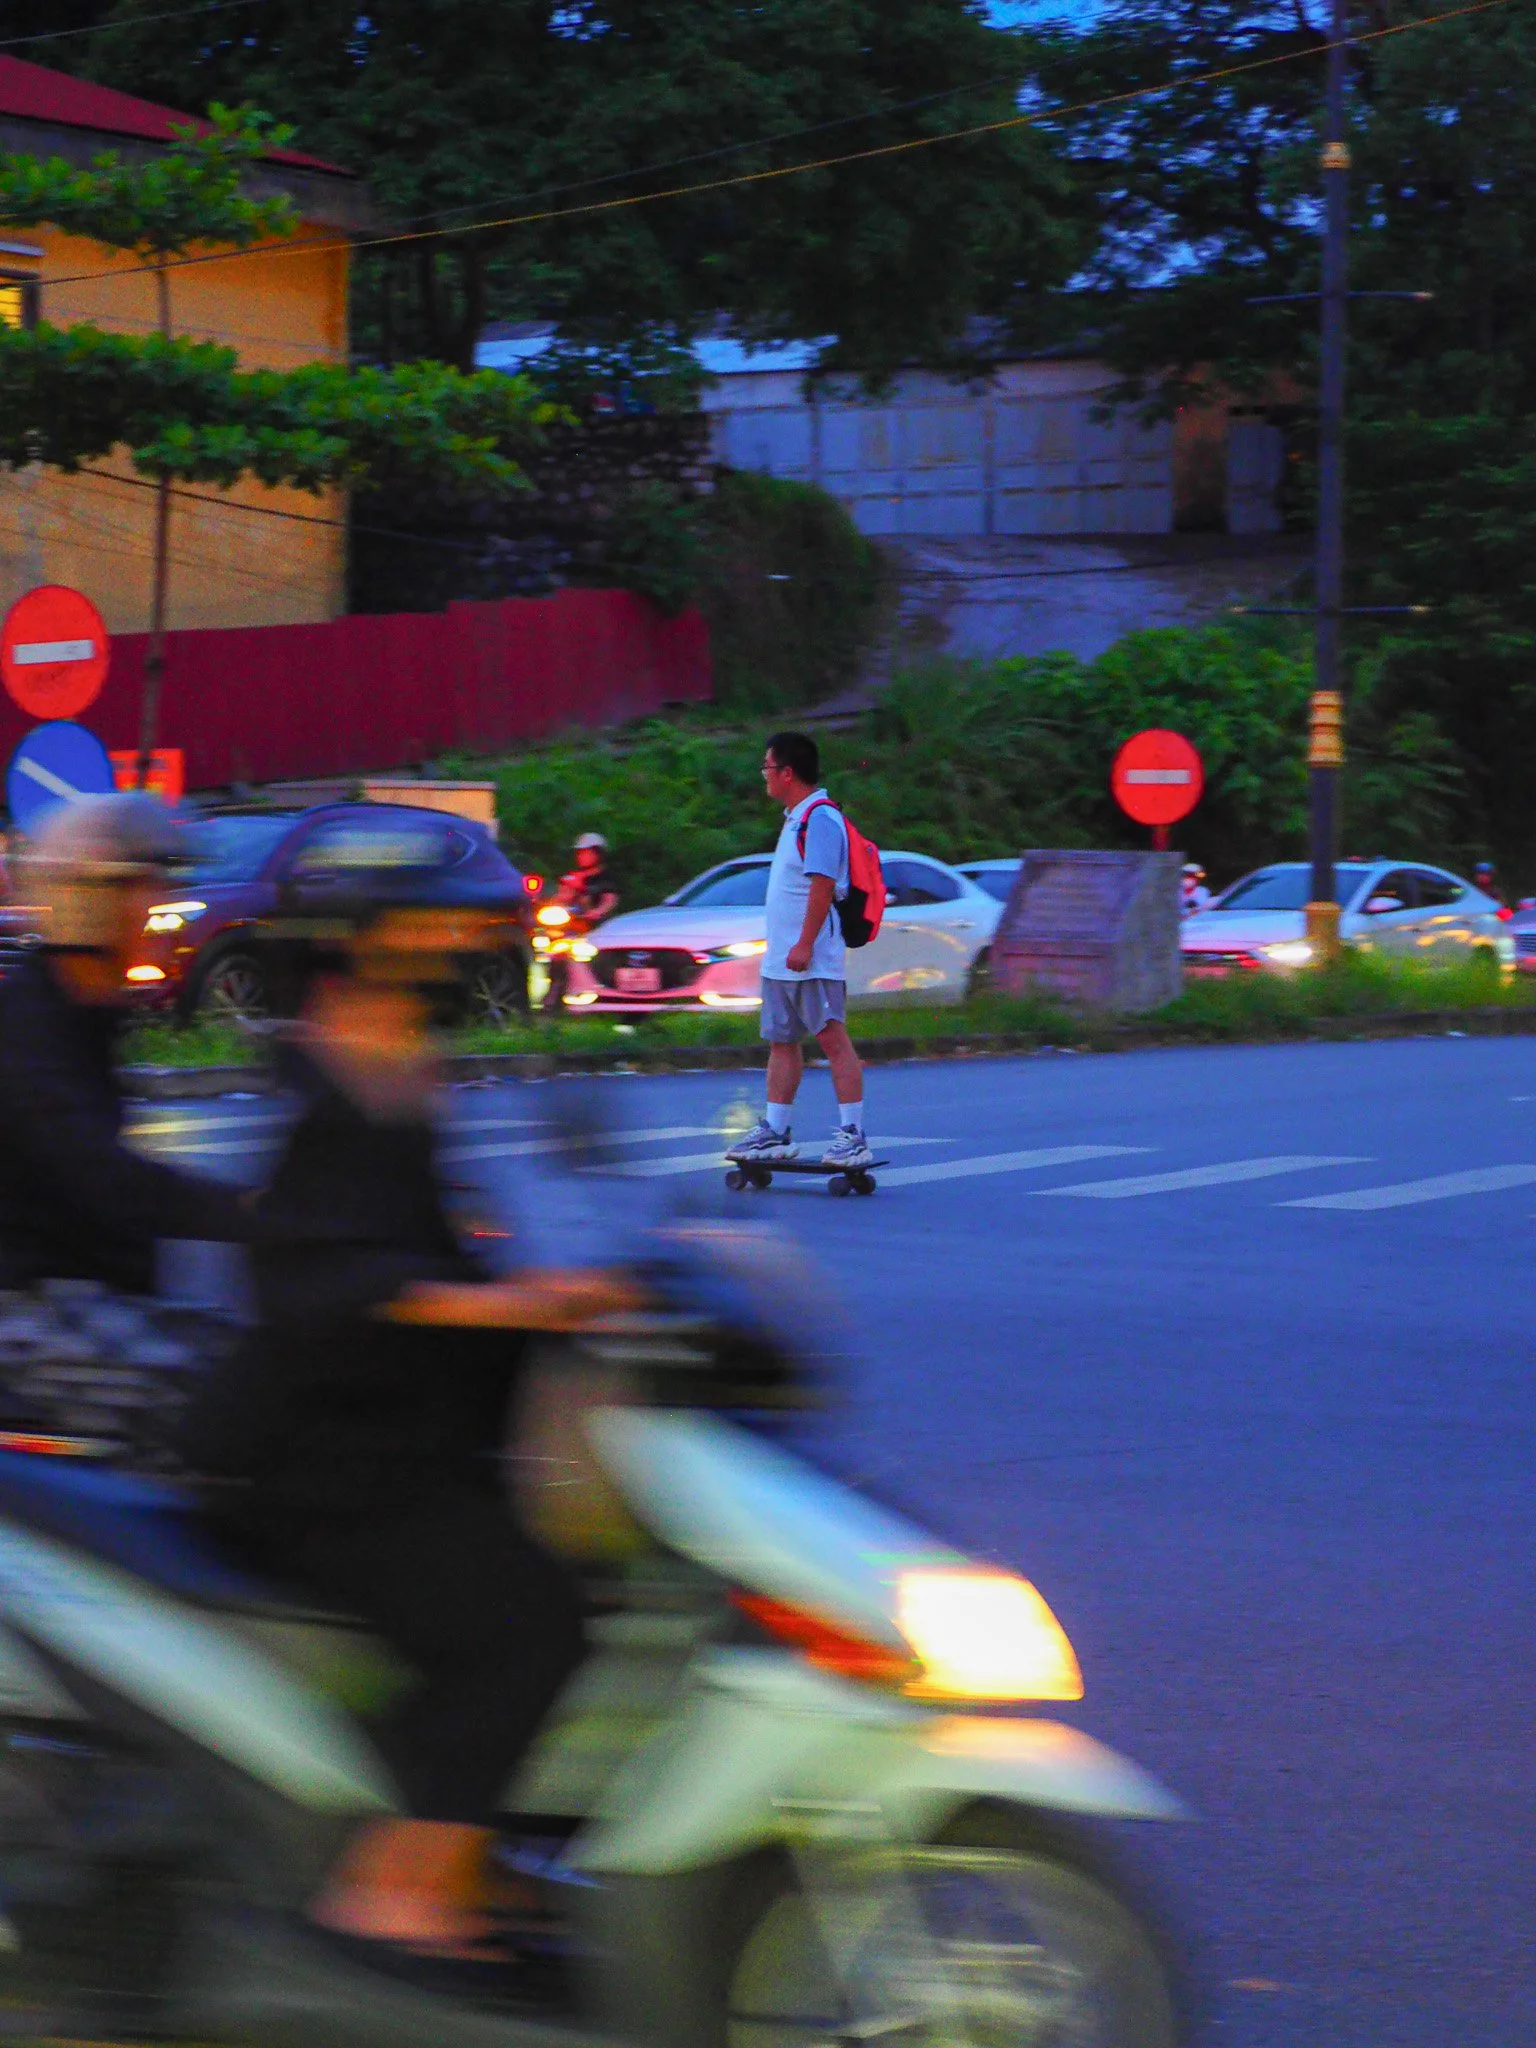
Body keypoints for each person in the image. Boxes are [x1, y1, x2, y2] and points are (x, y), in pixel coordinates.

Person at [181, 877, 637, 1970]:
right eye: (425, 931)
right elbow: (318, 1281)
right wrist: (502, 1301)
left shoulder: (400, 1075)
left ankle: (470, 1850)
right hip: (313, 1458)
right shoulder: (320, 1092)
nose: (449, 948)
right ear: (353, 955)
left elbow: (438, 1246)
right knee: (530, 1624)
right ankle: (387, 1890)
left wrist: (583, 1286)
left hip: (400, 1436)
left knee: (589, 1581)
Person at [0, 794, 249, 1294]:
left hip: (91, 1292)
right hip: (36, 1310)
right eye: (142, 888)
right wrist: (256, 1211)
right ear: (87, 901)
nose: (162, 908)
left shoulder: (90, 1012)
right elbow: (103, 1178)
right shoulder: (27, 1031)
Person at [727, 731, 872, 1171]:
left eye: (767, 768)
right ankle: (775, 1130)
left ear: (787, 773)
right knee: (781, 1042)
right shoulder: (795, 818)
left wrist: (806, 943)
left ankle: (853, 1136)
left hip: (811, 958)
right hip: (783, 961)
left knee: (832, 1039)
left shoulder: (820, 818)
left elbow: (823, 884)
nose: (764, 777)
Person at [542, 831, 620, 1012]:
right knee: (555, 953)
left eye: (587, 852)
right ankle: (553, 995)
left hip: (594, 928)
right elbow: (561, 897)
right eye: (580, 852)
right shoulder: (573, 877)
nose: (582, 856)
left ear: (598, 854)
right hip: (570, 927)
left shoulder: (606, 879)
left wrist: (597, 912)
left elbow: (610, 900)